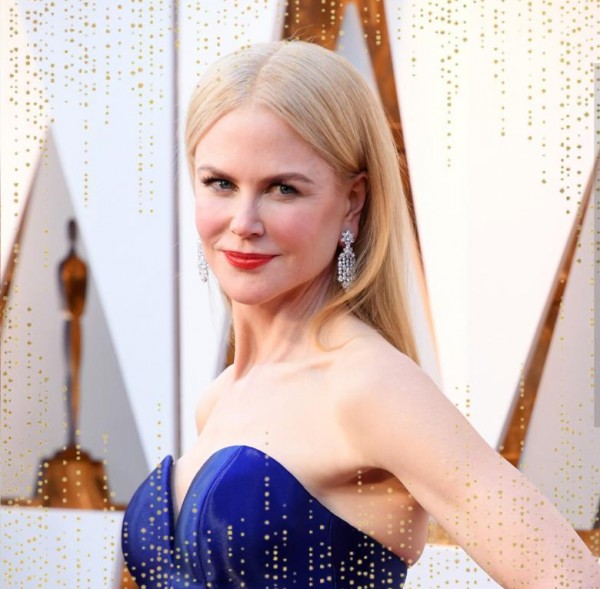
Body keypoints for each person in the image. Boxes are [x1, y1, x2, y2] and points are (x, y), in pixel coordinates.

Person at [121, 40, 600, 588]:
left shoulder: (369, 387)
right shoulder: (220, 399)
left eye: (283, 189)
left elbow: (567, 577)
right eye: (221, 184)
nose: (243, 222)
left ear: (352, 202)